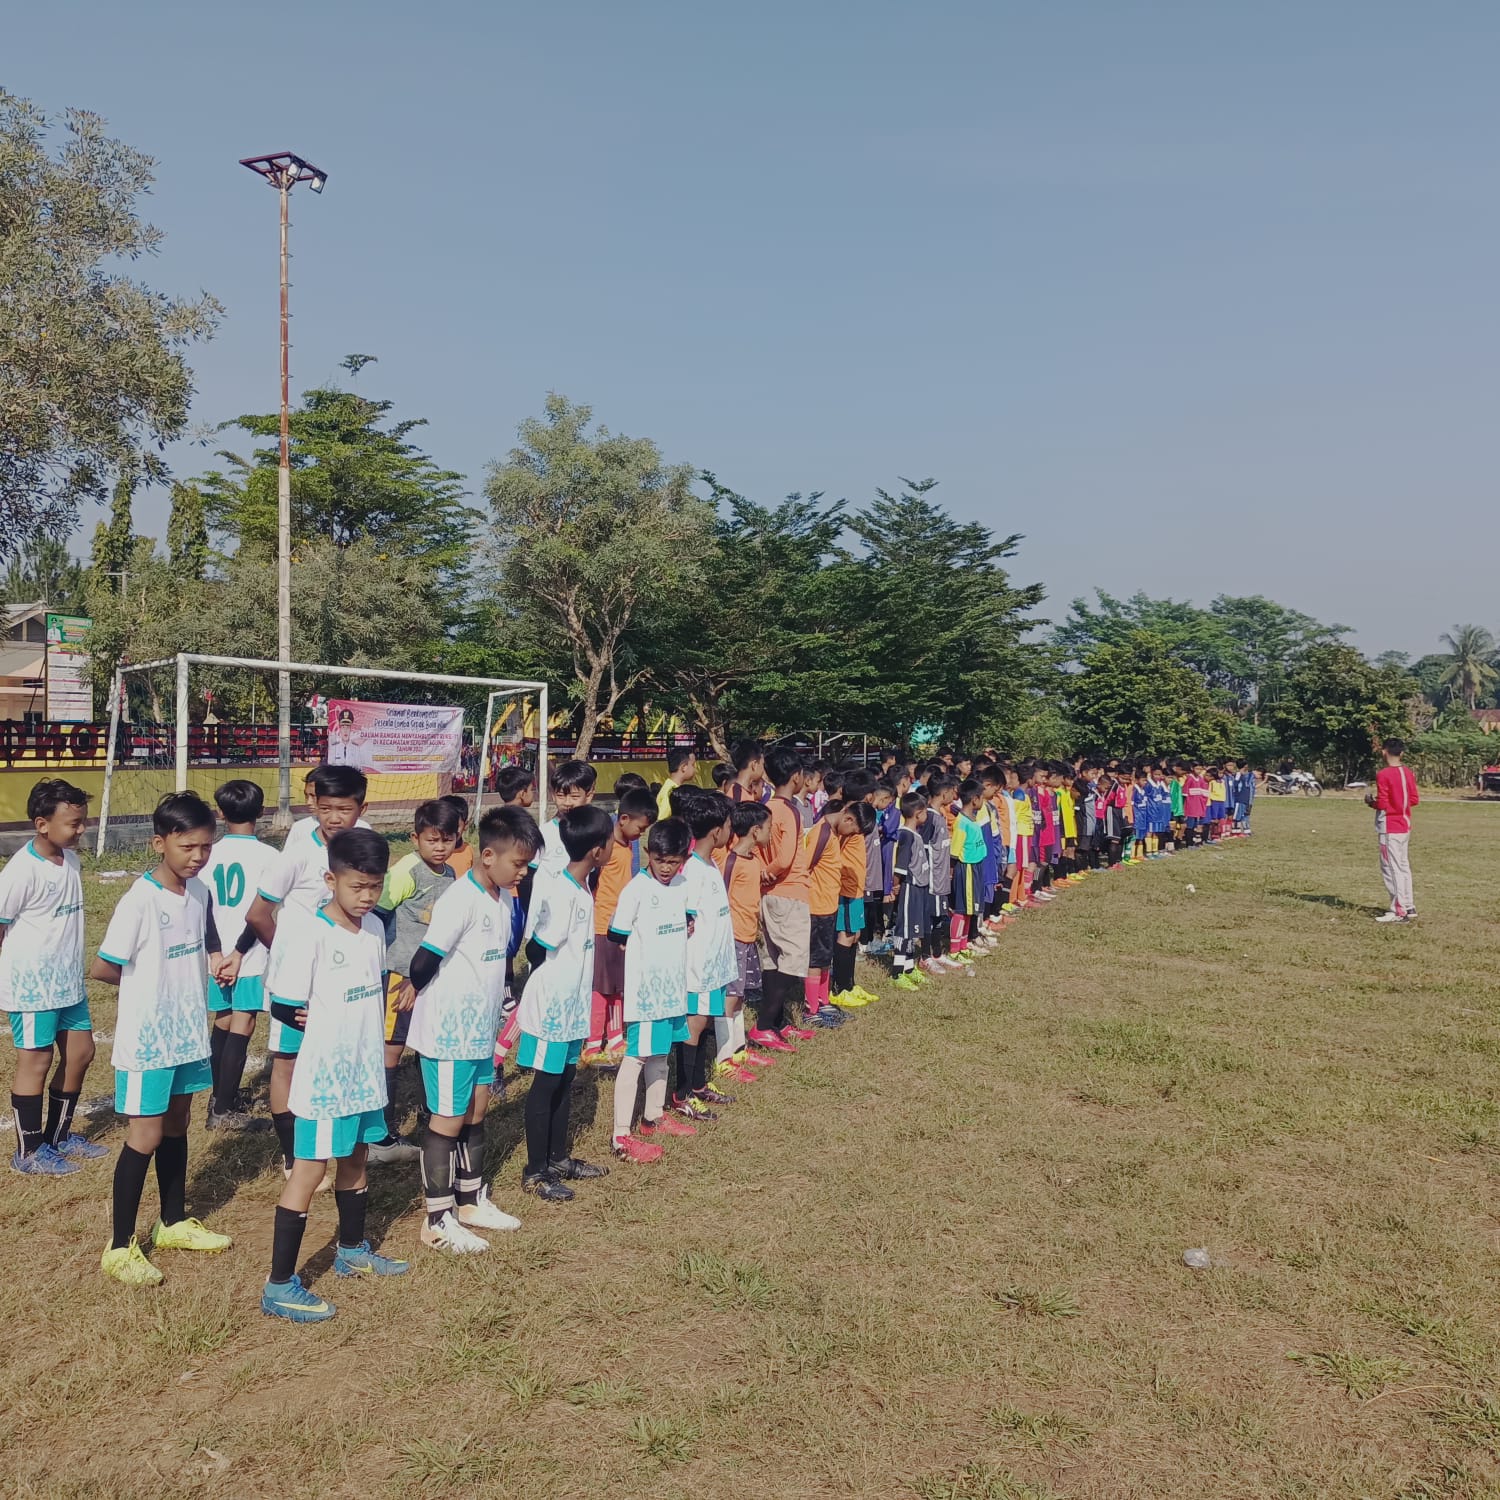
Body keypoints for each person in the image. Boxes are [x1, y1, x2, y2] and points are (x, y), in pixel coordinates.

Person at [261, 829, 409, 1322]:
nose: (366, 897)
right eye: (356, 887)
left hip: (364, 1075)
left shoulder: (371, 932)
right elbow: (283, 1000)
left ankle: (351, 1249)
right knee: (310, 1171)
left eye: (374, 887)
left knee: (357, 1159)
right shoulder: (311, 932)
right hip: (325, 1080)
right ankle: (280, 1284)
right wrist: (296, 1016)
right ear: (331, 880)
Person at [93, 792, 234, 1286]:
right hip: (148, 1040)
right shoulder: (140, 900)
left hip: (187, 1035)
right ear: (160, 843)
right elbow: (103, 965)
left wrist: (216, 960)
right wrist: (146, 988)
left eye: (205, 847)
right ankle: (118, 1247)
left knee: (177, 1126)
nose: (197, 857)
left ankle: (172, 1222)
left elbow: (206, 936)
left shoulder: (198, 892)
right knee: (145, 1135)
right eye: (187, 847)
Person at [406, 806, 541, 1253]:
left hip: (479, 1032)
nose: (523, 872)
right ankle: (437, 1218)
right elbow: (425, 960)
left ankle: (470, 1200)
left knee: (476, 1110)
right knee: (446, 1119)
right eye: (518, 863)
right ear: (487, 855)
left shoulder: (501, 898)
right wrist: (413, 993)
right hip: (448, 1032)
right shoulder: (459, 900)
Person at [245, 763, 369, 1178]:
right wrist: (286, 953)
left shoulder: (364, 848)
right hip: (297, 981)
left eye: (345, 809)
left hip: (342, 978)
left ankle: (342, 1144)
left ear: (360, 808)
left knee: (339, 1054)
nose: (335, 818)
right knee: (288, 1061)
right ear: (314, 804)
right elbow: (259, 914)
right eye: (327, 808)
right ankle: (293, 1154)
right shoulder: (297, 855)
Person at [2, 777, 103, 1174]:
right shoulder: (21, 871)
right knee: (36, 1061)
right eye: (73, 823)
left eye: (82, 822)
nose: (81, 830)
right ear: (42, 824)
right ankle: (28, 1152)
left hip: (68, 983)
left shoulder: (70, 860)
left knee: (81, 1053)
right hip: (32, 986)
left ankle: (59, 1136)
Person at [516, 804, 613, 1200]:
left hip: (572, 1005)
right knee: (545, 1084)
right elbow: (537, 948)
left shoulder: (583, 886)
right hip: (553, 1006)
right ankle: (536, 1171)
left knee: (566, 1079)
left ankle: (559, 1158)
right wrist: (553, 980)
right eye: (609, 843)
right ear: (596, 850)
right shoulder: (563, 892)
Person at [373, 799, 461, 1164]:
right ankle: (381, 1133)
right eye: (432, 840)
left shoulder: (452, 874)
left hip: (431, 977)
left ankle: (431, 1114)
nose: (439, 847)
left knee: (431, 1044)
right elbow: (377, 913)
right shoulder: (407, 871)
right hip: (399, 976)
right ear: (415, 838)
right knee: (391, 1050)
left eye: (447, 840)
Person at [608, 816, 699, 1158]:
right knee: (636, 1057)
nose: (665, 868)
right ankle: (620, 1136)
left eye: (672, 862)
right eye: (659, 860)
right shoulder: (636, 890)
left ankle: (654, 1116)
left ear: (682, 860)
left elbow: (688, 919)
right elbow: (617, 934)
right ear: (647, 853)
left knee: (660, 1055)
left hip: (673, 990)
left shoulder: (682, 884)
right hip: (647, 994)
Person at [200, 779, 278, 1132]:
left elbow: (204, 908)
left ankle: (220, 1096)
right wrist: (238, 952)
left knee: (224, 1017)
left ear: (220, 813)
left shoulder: (206, 852)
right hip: (249, 951)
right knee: (244, 1021)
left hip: (215, 953)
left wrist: (216, 953)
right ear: (261, 812)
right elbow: (260, 912)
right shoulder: (270, 858)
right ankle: (223, 1110)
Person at [673, 791, 741, 1115]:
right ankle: (683, 1093)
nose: (731, 831)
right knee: (694, 1025)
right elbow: (683, 917)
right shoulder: (691, 870)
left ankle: (698, 1084)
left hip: (713, 966)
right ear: (717, 830)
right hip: (697, 967)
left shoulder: (709, 862)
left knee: (703, 1024)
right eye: (728, 825)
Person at [749, 747, 815, 1050]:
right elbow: (786, 856)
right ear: (797, 776)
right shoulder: (788, 810)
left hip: (771, 895)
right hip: (788, 892)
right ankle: (764, 1024)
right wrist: (770, 873)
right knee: (794, 960)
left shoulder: (767, 806)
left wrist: (763, 872)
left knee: (773, 960)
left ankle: (777, 1023)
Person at [585, 786, 656, 1066]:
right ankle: (592, 1044)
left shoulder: (627, 847)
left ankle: (615, 1036)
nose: (641, 834)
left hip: (621, 925)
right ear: (624, 819)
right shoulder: (604, 847)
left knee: (617, 985)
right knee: (600, 987)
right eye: (640, 828)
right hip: (602, 925)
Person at [714, 800, 772, 1079]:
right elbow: (721, 895)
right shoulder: (731, 860)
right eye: (769, 828)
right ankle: (724, 1058)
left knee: (740, 996)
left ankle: (739, 1049)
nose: (771, 833)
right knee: (730, 997)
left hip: (748, 935)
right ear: (755, 830)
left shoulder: (755, 859)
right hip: (733, 936)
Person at [1368, 738, 1420, 923]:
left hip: (1390, 826)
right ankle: (1408, 905)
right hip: (1404, 824)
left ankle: (1399, 911)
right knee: (1403, 866)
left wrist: (1371, 803)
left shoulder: (1384, 774)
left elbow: (1382, 802)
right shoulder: (1407, 772)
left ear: (1384, 752)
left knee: (1391, 868)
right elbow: (1414, 799)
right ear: (1402, 753)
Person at [890, 792, 933, 989]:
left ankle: (908, 968)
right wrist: (896, 884)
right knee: (905, 929)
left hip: (919, 888)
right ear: (918, 813)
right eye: (925, 813)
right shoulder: (906, 834)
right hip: (909, 887)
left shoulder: (914, 834)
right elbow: (901, 864)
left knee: (913, 929)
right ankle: (897, 972)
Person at [536, 760, 597, 877]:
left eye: (574, 797)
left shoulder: (592, 832)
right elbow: (529, 875)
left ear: (589, 796)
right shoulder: (544, 833)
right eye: (561, 796)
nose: (567, 803)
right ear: (553, 795)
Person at [656, 745, 699, 821]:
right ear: (684, 767)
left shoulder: (671, 787)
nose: (695, 769)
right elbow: (661, 821)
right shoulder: (670, 791)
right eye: (693, 765)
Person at [441, 793, 474, 877]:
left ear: (465, 826)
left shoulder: (468, 850)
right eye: (447, 825)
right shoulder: (434, 852)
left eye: (456, 826)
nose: (451, 831)